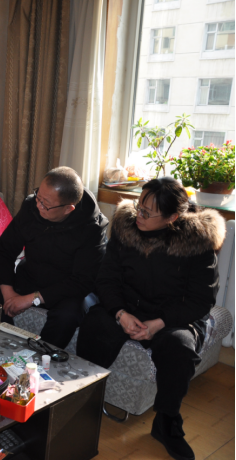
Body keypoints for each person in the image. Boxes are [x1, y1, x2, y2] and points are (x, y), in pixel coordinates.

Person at [77, 178, 225, 460]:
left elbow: (201, 299)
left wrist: (159, 323)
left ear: (173, 217)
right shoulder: (126, 228)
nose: (139, 215)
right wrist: (120, 313)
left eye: (147, 212)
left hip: (172, 317)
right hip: (127, 307)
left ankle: (167, 422)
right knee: (95, 324)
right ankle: (81, 400)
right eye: (139, 207)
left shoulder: (197, 242)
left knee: (180, 348)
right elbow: (106, 279)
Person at [0, 167, 108, 349]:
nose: (38, 205)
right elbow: (5, 250)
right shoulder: (31, 207)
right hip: (31, 276)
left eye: (46, 204)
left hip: (65, 289)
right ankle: (7, 346)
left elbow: (82, 281)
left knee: (67, 316)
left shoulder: (92, 229)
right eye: (38, 197)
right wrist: (9, 294)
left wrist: (32, 299)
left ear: (68, 209)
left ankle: (41, 356)